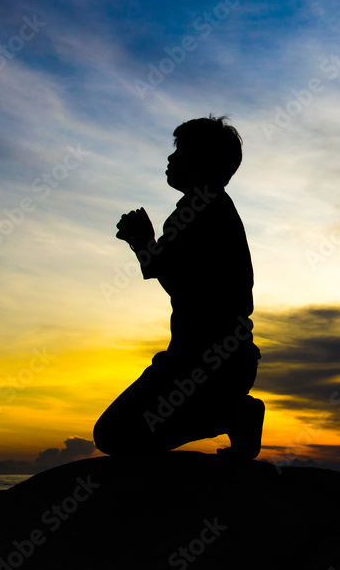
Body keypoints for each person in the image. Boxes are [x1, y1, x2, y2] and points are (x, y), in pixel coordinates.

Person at [93, 115, 265, 459]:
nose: (171, 159)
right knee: (119, 435)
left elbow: (171, 276)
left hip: (202, 363)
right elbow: (180, 279)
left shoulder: (200, 210)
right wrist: (143, 243)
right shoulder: (207, 207)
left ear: (201, 159)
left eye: (181, 151)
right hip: (215, 360)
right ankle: (231, 414)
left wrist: (142, 241)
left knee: (115, 435)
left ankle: (232, 414)